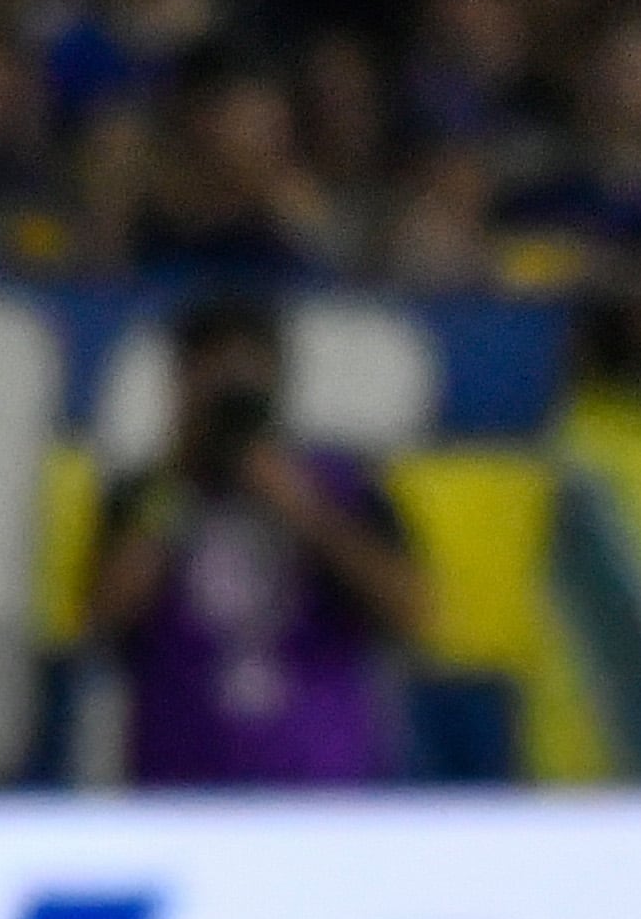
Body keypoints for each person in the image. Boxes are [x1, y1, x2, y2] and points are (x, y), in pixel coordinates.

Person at [89, 292, 429, 789]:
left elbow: (412, 609)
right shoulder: (148, 495)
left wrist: (303, 509)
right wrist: (180, 484)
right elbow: (105, 613)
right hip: (181, 787)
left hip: (320, 790)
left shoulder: (341, 486)